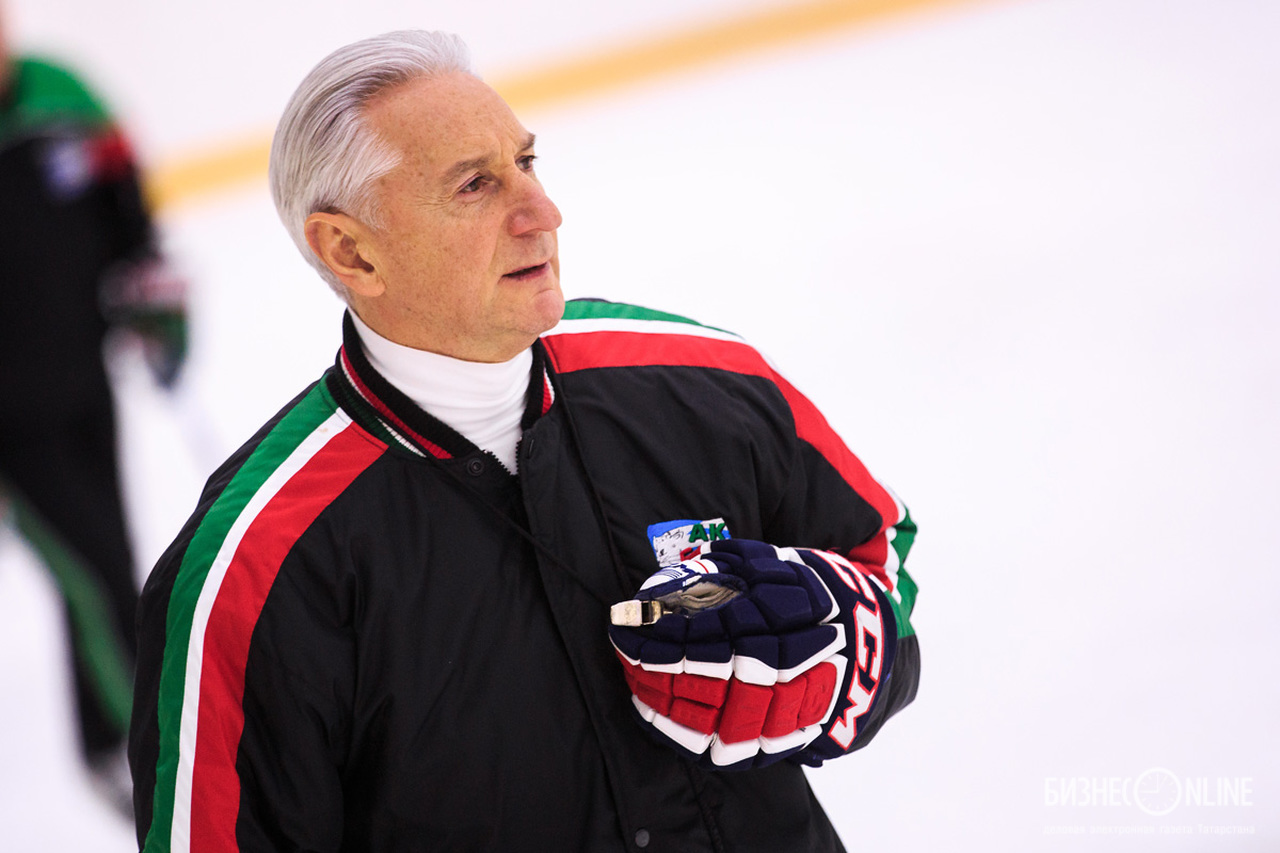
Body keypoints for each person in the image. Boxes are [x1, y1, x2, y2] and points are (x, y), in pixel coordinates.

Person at [129, 30, 920, 852]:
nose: (543, 212)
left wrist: (852, 650)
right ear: (351, 251)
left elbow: (881, 556)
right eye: (475, 184)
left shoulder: (704, 381)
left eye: (527, 161)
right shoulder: (250, 573)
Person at [0, 10, 186, 816]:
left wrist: (153, 292)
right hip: (10, 433)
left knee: (112, 558)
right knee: (99, 578)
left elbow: (124, 201)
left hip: (84, 381)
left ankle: (103, 737)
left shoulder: (61, 94)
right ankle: (157, 760)